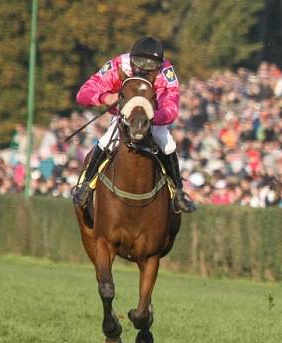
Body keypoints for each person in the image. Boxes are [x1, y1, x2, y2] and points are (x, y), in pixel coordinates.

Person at [72, 36, 196, 213]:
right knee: (107, 139)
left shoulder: (166, 72)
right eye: (139, 62)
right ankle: (85, 186)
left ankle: (178, 193)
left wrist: (150, 117)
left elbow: (171, 108)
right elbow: (83, 93)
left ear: (159, 64)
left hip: (153, 117)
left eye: (150, 65)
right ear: (131, 58)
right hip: (125, 116)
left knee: (166, 141)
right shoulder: (118, 65)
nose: (144, 68)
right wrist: (106, 97)